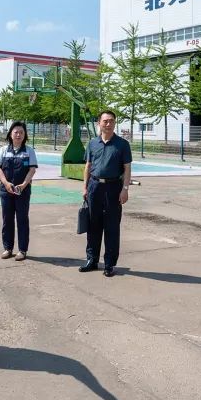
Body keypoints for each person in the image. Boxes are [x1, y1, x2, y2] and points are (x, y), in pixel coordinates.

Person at [80, 110, 132, 278]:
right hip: (94, 187)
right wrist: (85, 187)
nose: (108, 124)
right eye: (105, 121)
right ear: (99, 123)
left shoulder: (122, 144)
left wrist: (125, 189)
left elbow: (127, 168)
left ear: (115, 123)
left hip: (113, 188)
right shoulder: (92, 143)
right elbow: (88, 166)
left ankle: (109, 264)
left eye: (111, 121)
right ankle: (92, 260)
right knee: (93, 225)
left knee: (112, 227)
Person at [0, 121, 38, 261]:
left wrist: (23, 185)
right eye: (16, 132)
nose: (18, 135)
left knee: (22, 219)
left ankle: (22, 250)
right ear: (10, 134)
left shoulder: (29, 151)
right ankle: (8, 248)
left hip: (22, 191)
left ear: (25, 135)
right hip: (6, 191)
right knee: (7, 219)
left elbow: (32, 170)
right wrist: (6, 184)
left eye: (21, 132)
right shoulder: (3, 150)